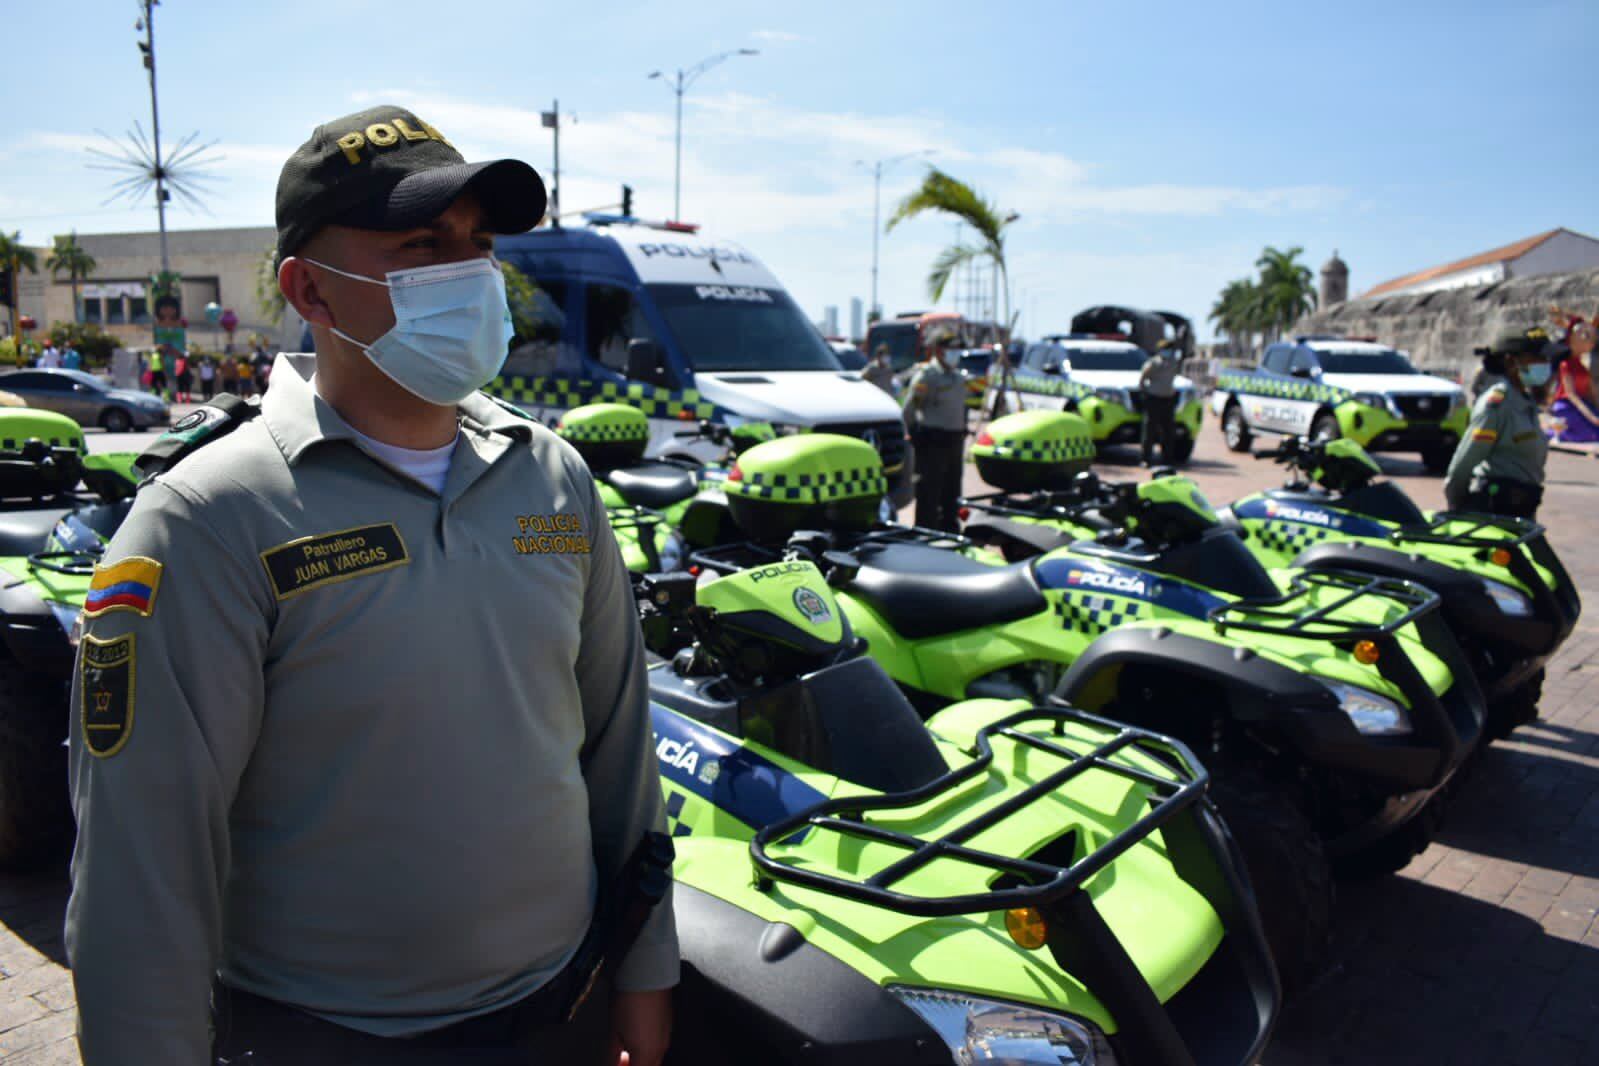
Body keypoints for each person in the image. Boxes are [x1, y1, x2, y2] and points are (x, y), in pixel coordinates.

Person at [66, 104, 678, 1066]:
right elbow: (144, 867)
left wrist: (644, 976)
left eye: (475, 243)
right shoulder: (207, 519)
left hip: (561, 1005)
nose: (470, 274)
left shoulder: (552, 478)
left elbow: (616, 748)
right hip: (323, 1036)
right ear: (311, 290)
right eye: (420, 244)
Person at [1444, 328, 1553, 518]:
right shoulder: (1497, 404)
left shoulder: (1526, 402)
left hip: (1524, 506)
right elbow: (1466, 459)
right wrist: (1457, 506)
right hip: (1495, 508)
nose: (1545, 364)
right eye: (1536, 358)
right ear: (1512, 362)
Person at [903, 329, 968, 531]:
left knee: (952, 490)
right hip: (933, 443)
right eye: (952, 349)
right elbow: (909, 411)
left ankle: (950, 530)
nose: (956, 353)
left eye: (958, 349)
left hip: (955, 442)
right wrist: (914, 437)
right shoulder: (927, 376)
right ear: (939, 351)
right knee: (929, 492)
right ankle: (926, 532)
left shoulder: (958, 377)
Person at [1548, 311, 1598, 443]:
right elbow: (1572, 395)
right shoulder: (1566, 365)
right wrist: (1591, 417)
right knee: (1592, 435)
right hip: (1568, 407)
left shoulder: (1583, 368)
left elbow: (1593, 394)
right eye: (1585, 336)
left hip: (1584, 406)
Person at [1138, 339, 1182, 466]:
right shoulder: (1153, 363)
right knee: (1149, 431)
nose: (1169, 351)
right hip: (1154, 400)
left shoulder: (1174, 363)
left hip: (1168, 400)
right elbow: (1143, 379)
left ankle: (1167, 459)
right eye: (1167, 348)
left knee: (1168, 431)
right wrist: (1145, 393)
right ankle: (1146, 459)